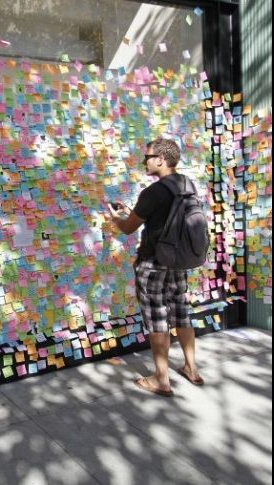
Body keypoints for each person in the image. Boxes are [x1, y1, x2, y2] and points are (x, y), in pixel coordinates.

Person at [107, 138, 204, 397]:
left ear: (160, 159)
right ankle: (191, 369)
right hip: (178, 259)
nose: (145, 162)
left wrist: (117, 218)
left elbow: (129, 228)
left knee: (157, 318)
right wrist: (134, 211)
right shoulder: (187, 184)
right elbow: (163, 218)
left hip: (153, 262)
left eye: (147, 157)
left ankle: (161, 379)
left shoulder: (152, 192)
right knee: (181, 311)